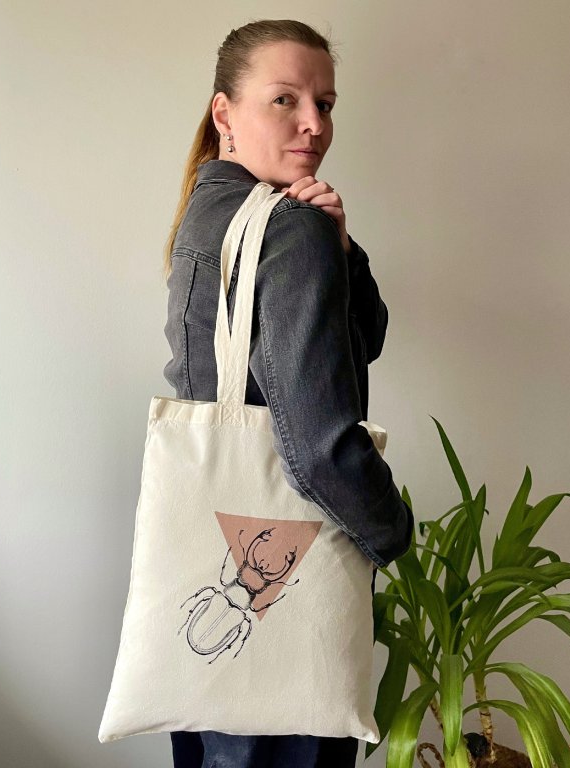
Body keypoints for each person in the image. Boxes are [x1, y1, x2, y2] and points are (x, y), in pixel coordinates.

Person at [161, 19, 414, 768]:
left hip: (206, 558)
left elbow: (360, 337)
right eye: (286, 99)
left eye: (325, 103)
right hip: (292, 570)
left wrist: (340, 250)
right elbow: (320, 446)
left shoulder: (204, 215)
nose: (315, 124)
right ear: (224, 112)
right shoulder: (286, 227)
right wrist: (394, 533)